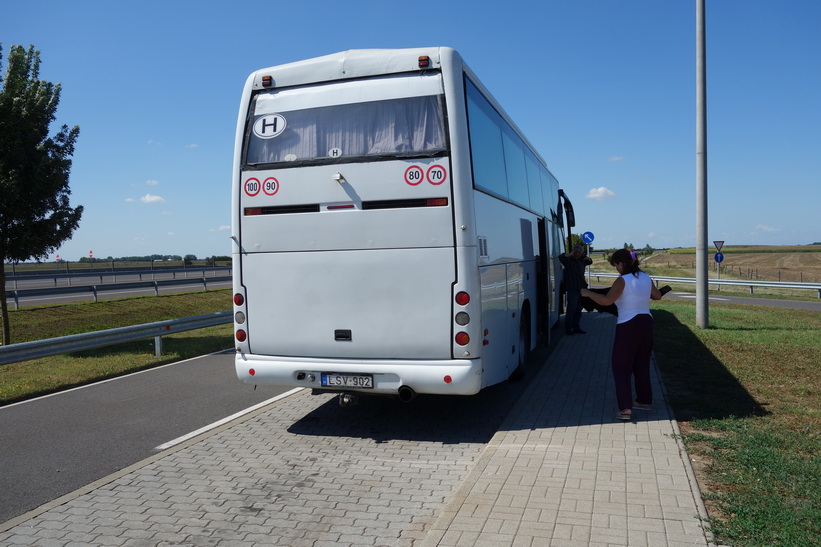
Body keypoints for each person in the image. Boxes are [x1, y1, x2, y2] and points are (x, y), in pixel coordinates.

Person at [581, 249, 663, 421]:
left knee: (621, 367)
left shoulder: (622, 280)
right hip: (647, 323)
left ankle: (625, 408)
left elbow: (606, 301)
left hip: (628, 325)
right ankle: (644, 401)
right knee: (642, 365)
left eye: (616, 265)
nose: (616, 269)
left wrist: (588, 293)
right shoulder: (646, 277)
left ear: (621, 263)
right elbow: (657, 296)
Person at [559, 245, 593, 335]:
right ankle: (568, 329)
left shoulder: (583, 261)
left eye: (579, 252)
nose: (577, 254)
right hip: (572, 288)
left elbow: (590, 261)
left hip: (582, 288)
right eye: (576, 252)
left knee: (579, 309)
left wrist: (583, 255)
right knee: (571, 310)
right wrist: (571, 254)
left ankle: (576, 327)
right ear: (573, 252)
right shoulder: (568, 261)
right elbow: (561, 257)